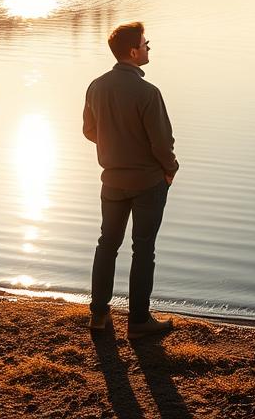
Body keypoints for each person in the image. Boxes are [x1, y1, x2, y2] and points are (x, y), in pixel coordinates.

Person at [83, 21, 179, 338]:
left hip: (111, 181)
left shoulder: (96, 86)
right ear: (133, 51)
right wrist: (171, 168)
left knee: (107, 244)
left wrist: (115, 145)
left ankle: (98, 315)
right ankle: (138, 322)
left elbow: (89, 131)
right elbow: (162, 143)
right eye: (145, 42)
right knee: (143, 249)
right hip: (148, 183)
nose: (149, 47)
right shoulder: (148, 93)